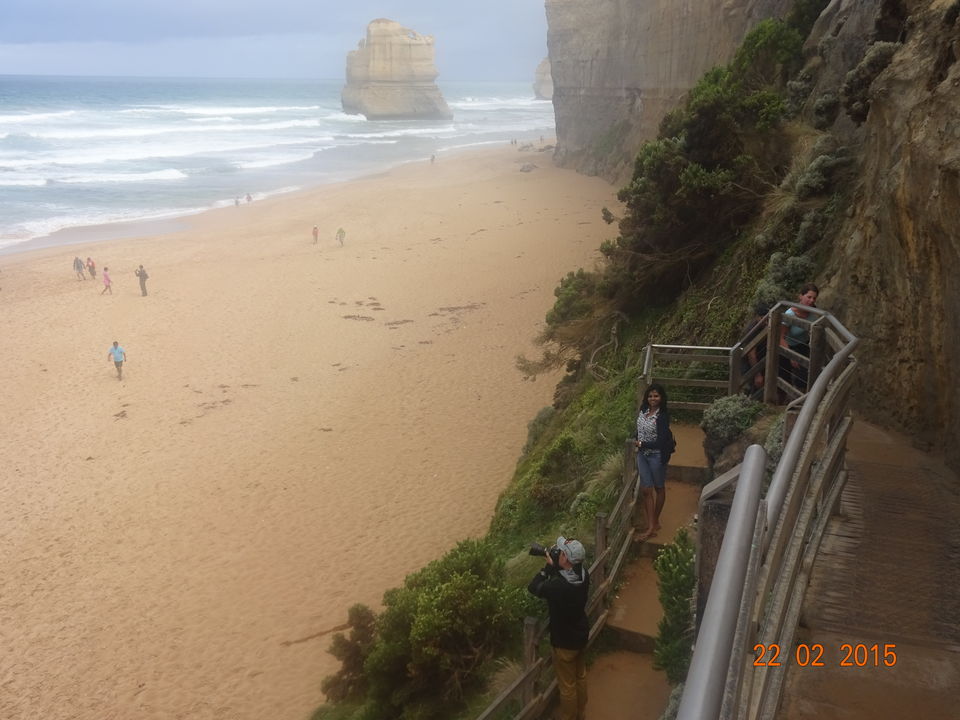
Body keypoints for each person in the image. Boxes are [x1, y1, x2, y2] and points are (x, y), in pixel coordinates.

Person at [528, 537, 590, 720]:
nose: (559, 554)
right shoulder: (584, 575)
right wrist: (556, 567)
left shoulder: (557, 586)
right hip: (580, 635)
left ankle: (570, 717)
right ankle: (582, 712)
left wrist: (546, 569)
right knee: (581, 676)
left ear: (565, 558)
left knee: (567, 686)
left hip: (564, 642)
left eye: (561, 552)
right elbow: (568, 578)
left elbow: (534, 588)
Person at [635, 383, 673, 541]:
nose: (653, 398)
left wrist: (642, 444)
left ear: (661, 398)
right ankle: (651, 525)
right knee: (646, 490)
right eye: (650, 396)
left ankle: (654, 521)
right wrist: (636, 438)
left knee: (659, 488)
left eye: (656, 396)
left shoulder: (662, 416)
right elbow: (639, 429)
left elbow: (661, 442)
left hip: (656, 456)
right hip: (642, 455)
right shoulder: (643, 410)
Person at [779, 283, 819, 391]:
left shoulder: (814, 311)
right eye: (809, 297)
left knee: (811, 374)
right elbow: (780, 337)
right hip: (791, 347)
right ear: (801, 296)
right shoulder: (790, 314)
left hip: (806, 345)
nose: (811, 300)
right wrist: (791, 356)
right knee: (799, 377)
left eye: (814, 298)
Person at [740, 303, 770, 394]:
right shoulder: (752, 330)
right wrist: (757, 374)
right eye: (763, 318)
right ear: (757, 317)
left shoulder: (764, 326)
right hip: (749, 364)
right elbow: (751, 354)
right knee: (752, 388)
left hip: (760, 360)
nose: (765, 322)